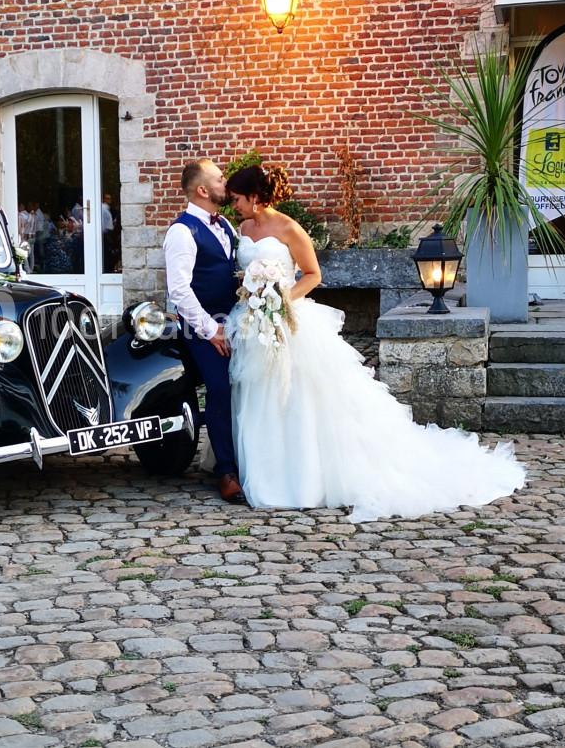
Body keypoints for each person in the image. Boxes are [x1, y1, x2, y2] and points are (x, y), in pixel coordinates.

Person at [223, 164, 525, 522]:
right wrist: (253, 292)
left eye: (237, 199)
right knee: (259, 394)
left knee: (298, 396)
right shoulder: (242, 228)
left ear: (255, 198)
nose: (234, 206)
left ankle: (302, 478)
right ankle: (263, 469)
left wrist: (282, 299)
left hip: (288, 319)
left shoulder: (290, 228)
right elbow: (244, 272)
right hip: (252, 321)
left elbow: (313, 274)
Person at [163, 159, 244, 503]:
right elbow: (179, 290)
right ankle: (225, 470)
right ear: (202, 190)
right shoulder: (181, 232)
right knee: (220, 387)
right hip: (201, 328)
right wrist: (210, 329)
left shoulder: (224, 224)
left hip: (236, 321)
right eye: (219, 179)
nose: (225, 183)